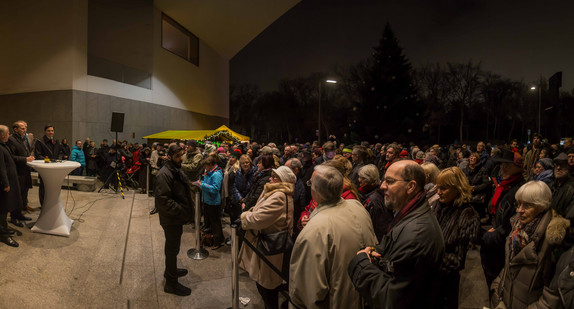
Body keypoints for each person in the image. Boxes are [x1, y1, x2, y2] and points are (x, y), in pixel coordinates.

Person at [348, 160, 445, 309]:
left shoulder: (416, 235)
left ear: (411, 187)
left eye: (390, 181)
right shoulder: (409, 215)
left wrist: (361, 263)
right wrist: (376, 252)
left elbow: (392, 300)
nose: (382, 186)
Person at [290, 165, 377, 308]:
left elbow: (307, 292)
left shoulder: (315, 229)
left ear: (315, 191)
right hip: (367, 295)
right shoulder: (356, 205)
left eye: (311, 183)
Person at [490, 181, 564, 308]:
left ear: (542, 206)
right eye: (519, 204)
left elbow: (552, 297)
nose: (519, 210)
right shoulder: (517, 228)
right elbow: (508, 267)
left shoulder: (552, 241)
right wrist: (497, 294)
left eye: (527, 205)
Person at [239, 166, 296, 309]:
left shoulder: (279, 196)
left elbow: (257, 219)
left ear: (282, 181)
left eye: (275, 177)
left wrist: (245, 216)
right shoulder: (275, 192)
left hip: (270, 246)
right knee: (264, 284)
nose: (270, 178)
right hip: (267, 242)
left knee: (267, 286)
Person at [433, 167, 480, 309]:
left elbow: (457, 261)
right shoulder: (438, 205)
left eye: (444, 188)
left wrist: (428, 260)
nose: (438, 192)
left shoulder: (467, 216)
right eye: (438, 187)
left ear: (458, 188)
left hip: (445, 283)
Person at [481, 149, 525, 288]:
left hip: (501, 249)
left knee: (496, 283)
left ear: (518, 167)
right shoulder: (504, 185)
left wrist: (487, 236)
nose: (502, 168)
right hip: (495, 242)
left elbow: (509, 227)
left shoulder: (519, 192)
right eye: (501, 165)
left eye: (507, 165)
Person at [154, 144, 193, 296]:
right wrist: (182, 211)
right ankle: (171, 283)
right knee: (171, 250)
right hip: (171, 219)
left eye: (181, 155)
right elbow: (163, 200)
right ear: (169, 157)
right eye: (177, 156)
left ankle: (171, 271)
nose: (181, 158)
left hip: (175, 217)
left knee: (174, 248)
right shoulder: (164, 174)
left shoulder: (174, 168)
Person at [195, 155, 224, 249]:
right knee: (208, 222)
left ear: (211, 165)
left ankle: (218, 242)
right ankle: (210, 239)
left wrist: (202, 185)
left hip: (214, 202)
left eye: (206, 166)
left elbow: (215, 189)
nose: (204, 168)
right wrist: (200, 182)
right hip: (207, 200)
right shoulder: (208, 172)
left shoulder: (217, 174)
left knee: (215, 223)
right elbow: (205, 182)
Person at [0, 124, 23, 246]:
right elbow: (1, 168)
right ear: (2, 134)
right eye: (8, 132)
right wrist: (5, 183)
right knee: (2, 210)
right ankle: (3, 235)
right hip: (4, 184)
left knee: (5, 208)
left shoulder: (4, 145)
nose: (9, 135)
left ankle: (4, 229)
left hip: (8, 181)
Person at [7, 121, 35, 213]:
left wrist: (29, 157)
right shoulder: (11, 139)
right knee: (17, 194)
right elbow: (11, 157)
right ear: (15, 129)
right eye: (22, 128)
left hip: (25, 169)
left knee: (25, 190)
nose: (25, 130)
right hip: (17, 171)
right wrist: (26, 159)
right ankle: (15, 215)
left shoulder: (23, 138)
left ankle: (23, 206)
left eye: (26, 128)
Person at [34, 125, 63, 206]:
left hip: (55, 168)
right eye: (49, 131)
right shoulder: (40, 141)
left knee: (53, 187)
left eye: (52, 131)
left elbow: (60, 152)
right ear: (45, 131)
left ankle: (52, 203)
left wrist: (59, 159)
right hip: (45, 168)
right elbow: (38, 155)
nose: (51, 132)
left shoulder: (56, 141)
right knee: (44, 187)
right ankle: (43, 205)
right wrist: (48, 161)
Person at [465, 152, 492, 220]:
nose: (471, 158)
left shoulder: (482, 170)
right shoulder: (465, 169)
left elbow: (486, 183)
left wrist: (475, 188)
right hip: (467, 195)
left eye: (474, 156)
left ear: (477, 159)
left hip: (477, 198)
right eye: (470, 156)